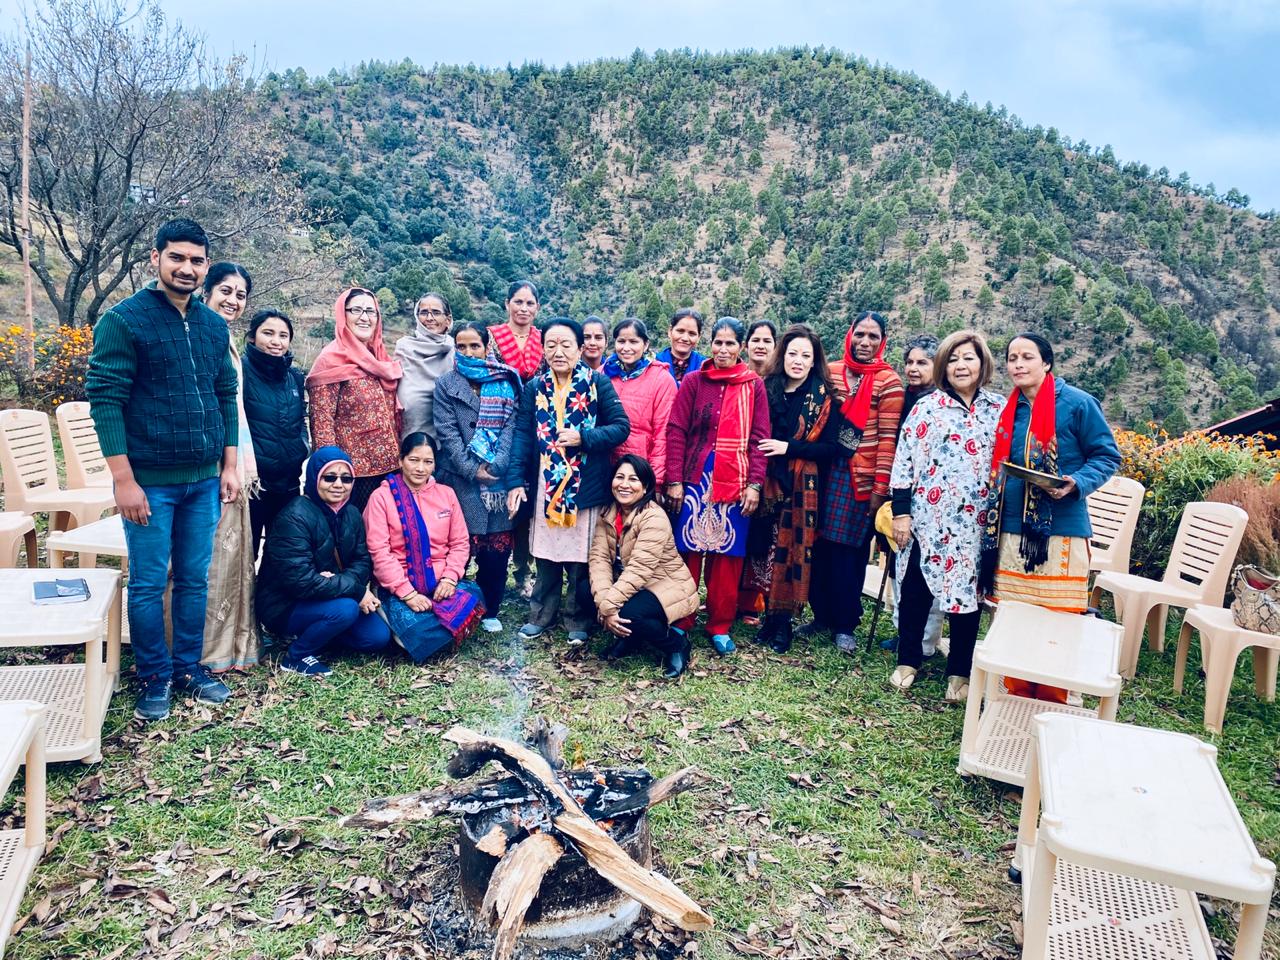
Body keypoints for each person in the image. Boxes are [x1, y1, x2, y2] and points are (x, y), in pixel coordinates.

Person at [86, 218, 239, 721]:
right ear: (155, 258)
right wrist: (124, 481)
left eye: (197, 260)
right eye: (177, 257)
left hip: (203, 481)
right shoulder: (124, 321)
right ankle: (154, 677)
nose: (187, 268)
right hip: (149, 482)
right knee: (150, 582)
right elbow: (106, 401)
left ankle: (189, 668)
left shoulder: (214, 325)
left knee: (194, 578)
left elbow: (224, 394)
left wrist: (228, 464)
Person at [980, 332, 1121, 702]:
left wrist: (1076, 483)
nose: (1018, 365)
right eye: (1012, 358)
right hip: (1010, 528)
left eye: (1027, 357)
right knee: (1013, 616)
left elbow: (1107, 457)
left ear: (1047, 363)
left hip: (1061, 529)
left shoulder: (1076, 404)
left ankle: (1053, 698)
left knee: (1057, 619)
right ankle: (1014, 694)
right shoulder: (1007, 410)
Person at [889, 330, 1004, 700]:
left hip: (976, 526)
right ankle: (908, 661)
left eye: (968, 358)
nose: (960, 366)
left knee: (967, 597)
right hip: (928, 520)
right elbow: (903, 462)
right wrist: (902, 514)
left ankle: (960, 671)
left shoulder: (998, 410)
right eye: (952, 359)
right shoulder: (927, 408)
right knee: (916, 591)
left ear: (982, 363)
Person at [506, 318, 630, 643]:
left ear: (579, 348)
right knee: (546, 555)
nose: (558, 351)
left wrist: (583, 437)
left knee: (579, 558)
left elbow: (620, 427)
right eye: (551, 344)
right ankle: (541, 615)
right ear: (543, 349)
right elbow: (522, 436)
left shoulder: (597, 383)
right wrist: (517, 480)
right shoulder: (535, 388)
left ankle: (577, 618)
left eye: (566, 345)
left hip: (584, 485)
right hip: (546, 485)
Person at [665, 317, 770, 655]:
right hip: (696, 478)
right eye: (718, 342)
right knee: (688, 552)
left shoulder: (753, 385)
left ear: (740, 347)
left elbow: (759, 438)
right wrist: (675, 479)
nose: (723, 349)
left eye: (730, 343)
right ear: (710, 344)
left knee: (727, 555)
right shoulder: (696, 381)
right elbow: (677, 430)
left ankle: (720, 624)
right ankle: (682, 619)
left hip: (736, 480)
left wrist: (755, 484)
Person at [806, 311, 904, 655]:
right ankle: (820, 615)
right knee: (817, 546)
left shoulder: (888, 381)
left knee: (849, 552)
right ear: (850, 336)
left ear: (882, 341)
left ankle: (846, 623)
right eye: (859, 334)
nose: (864, 342)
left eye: (873, 337)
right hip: (822, 470)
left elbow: (889, 438)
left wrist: (880, 488)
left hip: (858, 479)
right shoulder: (830, 372)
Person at [256, 447, 391, 676]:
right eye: (330, 477)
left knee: (377, 637)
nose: (338, 484)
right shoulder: (294, 516)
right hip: (285, 604)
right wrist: (355, 591)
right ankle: (296, 657)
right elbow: (300, 582)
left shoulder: (351, 513)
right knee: (347, 609)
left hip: (330, 596)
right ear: (314, 478)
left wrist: (337, 582)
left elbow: (362, 563)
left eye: (346, 478)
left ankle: (318, 636)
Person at [755, 325, 845, 654]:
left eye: (805, 355)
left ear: (814, 361)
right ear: (782, 355)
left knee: (792, 553)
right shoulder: (767, 388)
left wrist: (788, 447)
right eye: (793, 353)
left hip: (800, 487)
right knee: (766, 550)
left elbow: (832, 449)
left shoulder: (823, 399)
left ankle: (784, 625)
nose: (798, 360)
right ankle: (768, 618)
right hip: (767, 483)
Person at [364, 433, 485, 662]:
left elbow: (460, 543)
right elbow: (379, 553)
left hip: (441, 585)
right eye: (413, 460)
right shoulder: (382, 497)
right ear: (400, 460)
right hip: (399, 587)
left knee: (476, 595)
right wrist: (408, 594)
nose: (420, 468)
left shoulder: (446, 494)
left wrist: (449, 579)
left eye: (428, 462)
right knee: (418, 629)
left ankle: (419, 635)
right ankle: (423, 631)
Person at [433, 322, 522, 633]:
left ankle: (491, 608)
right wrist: (473, 470)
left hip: (497, 482)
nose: (469, 352)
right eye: (462, 346)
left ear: (487, 347)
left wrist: (495, 467)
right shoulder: (446, 384)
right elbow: (447, 433)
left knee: (495, 552)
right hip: (459, 479)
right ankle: (455, 608)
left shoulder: (505, 381)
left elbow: (511, 427)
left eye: (475, 346)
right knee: (458, 547)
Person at [200, 262, 260, 674]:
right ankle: (206, 650)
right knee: (209, 562)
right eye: (225, 290)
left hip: (235, 462)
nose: (233, 300)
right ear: (207, 290)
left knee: (235, 556)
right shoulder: (200, 335)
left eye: (240, 294)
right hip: (211, 465)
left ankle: (234, 644)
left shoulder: (224, 338)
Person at [589, 456, 700, 679]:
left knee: (629, 613)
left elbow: (640, 569)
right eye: (619, 477)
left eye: (633, 479)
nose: (624, 484)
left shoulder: (654, 517)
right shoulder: (607, 512)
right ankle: (631, 638)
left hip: (665, 584)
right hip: (635, 584)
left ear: (646, 486)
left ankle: (676, 645)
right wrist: (605, 604)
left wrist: (609, 607)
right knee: (585, 591)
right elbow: (599, 558)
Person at [307, 288, 403, 512]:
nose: (364, 317)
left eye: (371, 311)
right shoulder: (330, 360)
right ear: (343, 315)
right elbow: (322, 423)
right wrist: (331, 475)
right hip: (352, 475)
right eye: (356, 310)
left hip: (391, 470)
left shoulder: (380, 357)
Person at [882, 334, 944, 655]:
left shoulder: (941, 403)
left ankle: (925, 642)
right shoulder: (903, 398)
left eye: (922, 363)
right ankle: (903, 632)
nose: (913, 369)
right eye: (909, 362)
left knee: (928, 570)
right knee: (898, 564)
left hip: (932, 501)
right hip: (901, 494)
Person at [489, 280, 544, 595]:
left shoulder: (543, 340)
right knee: (497, 501)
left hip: (535, 430)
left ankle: (525, 573)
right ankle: (490, 571)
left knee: (529, 504)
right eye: (518, 302)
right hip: (498, 427)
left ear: (537, 307)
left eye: (530, 303)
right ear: (507, 303)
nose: (523, 309)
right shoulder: (492, 337)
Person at [241, 309, 308, 559]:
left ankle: (272, 600)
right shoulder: (241, 371)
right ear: (252, 337)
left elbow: (301, 419)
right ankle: (244, 600)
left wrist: (303, 447)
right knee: (247, 553)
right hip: (253, 484)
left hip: (288, 482)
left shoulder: (294, 377)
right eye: (268, 333)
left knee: (283, 552)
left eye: (283, 335)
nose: (276, 341)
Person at [737, 319, 781, 622]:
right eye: (756, 340)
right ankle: (733, 597)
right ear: (747, 344)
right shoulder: (737, 377)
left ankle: (755, 601)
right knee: (738, 532)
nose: (761, 345)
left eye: (767, 340)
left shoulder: (779, 381)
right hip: (738, 463)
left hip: (770, 467)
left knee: (763, 537)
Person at [602, 317, 676, 487]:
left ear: (646, 344)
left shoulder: (662, 380)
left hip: (640, 470)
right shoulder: (604, 373)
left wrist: (655, 480)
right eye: (621, 341)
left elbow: (663, 434)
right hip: (605, 467)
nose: (626, 348)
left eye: (633, 342)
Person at [395, 292, 455, 440]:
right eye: (424, 313)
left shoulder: (455, 350)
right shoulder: (404, 347)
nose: (429, 318)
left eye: (436, 312)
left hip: (445, 441)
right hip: (407, 437)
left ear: (448, 320)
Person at [656, 308, 706, 387]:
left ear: (699, 337)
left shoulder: (705, 367)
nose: (685, 338)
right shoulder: (656, 364)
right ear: (670, 331)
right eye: (680, 331)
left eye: (692, 334)